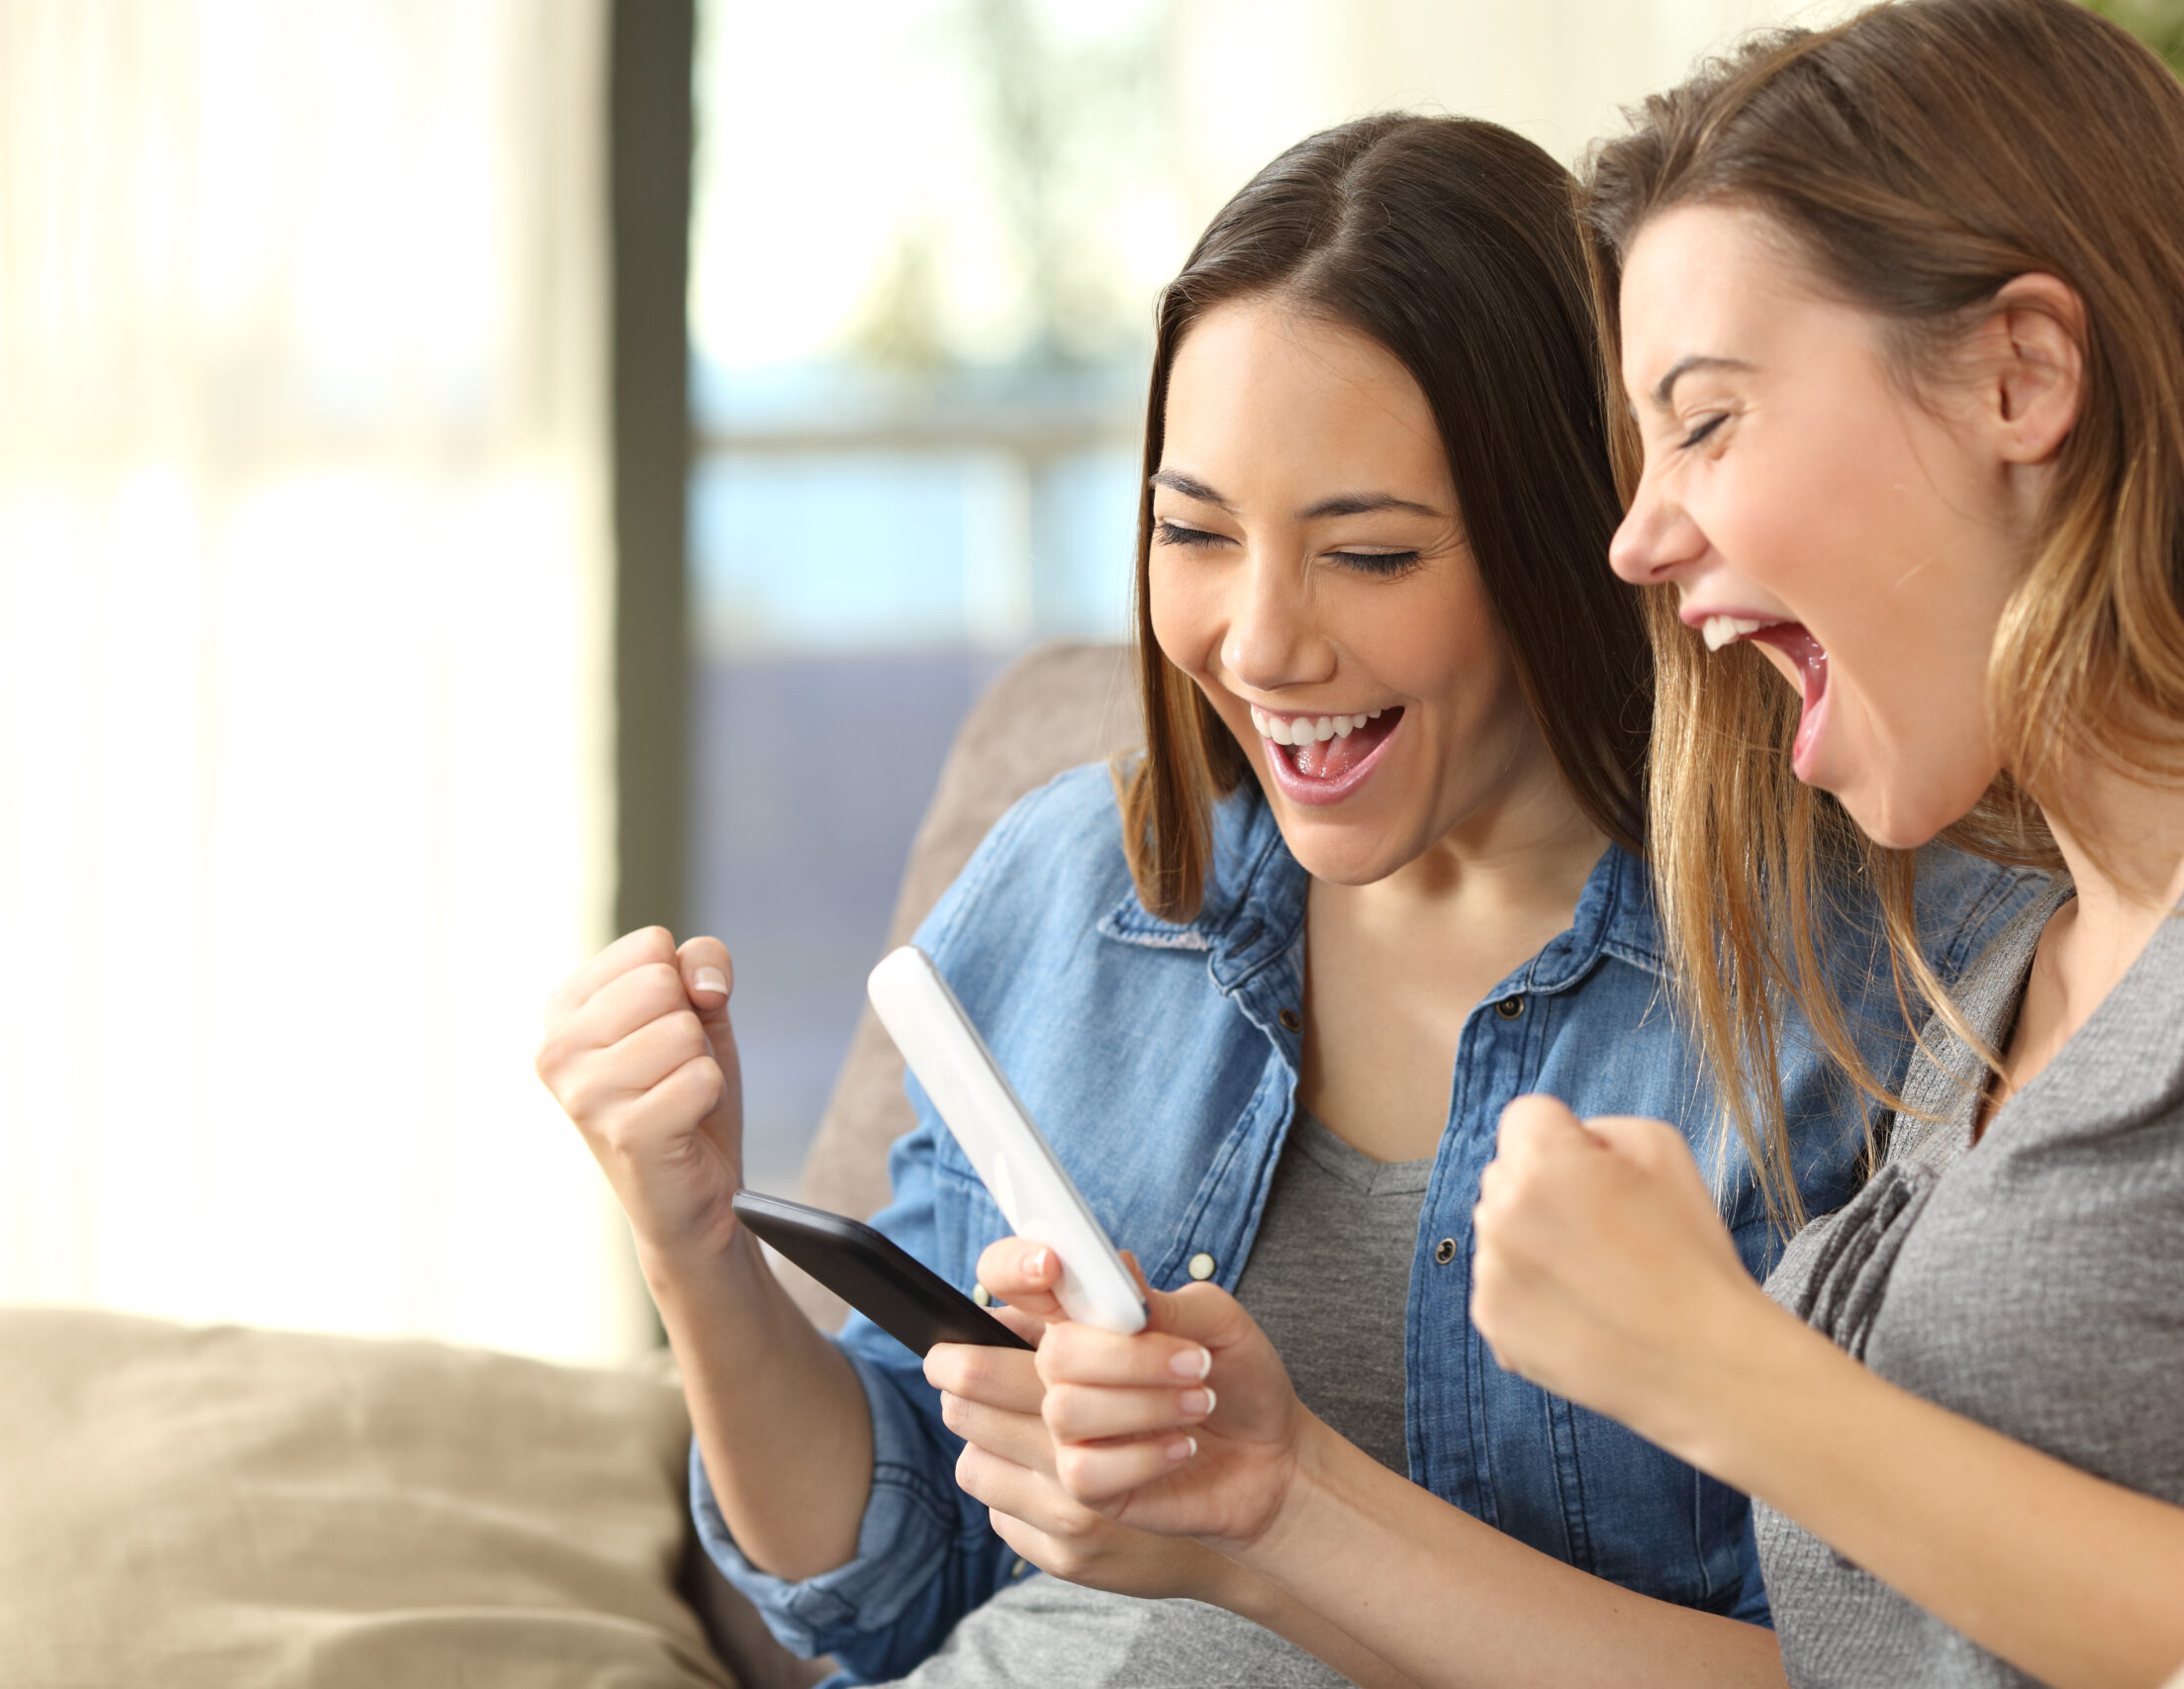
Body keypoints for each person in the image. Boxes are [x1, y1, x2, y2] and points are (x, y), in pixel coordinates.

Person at [1020, 4, 2184, 1686]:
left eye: (1706, 422)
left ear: (2020, 377)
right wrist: (1277, 1501)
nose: (1635, 540)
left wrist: (1726, 1376)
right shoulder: (2003, 995)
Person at [535, 113, 2023, 1688]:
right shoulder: (1079, 888)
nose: (1258, 645)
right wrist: (694, 1246)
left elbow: (1901, 1665)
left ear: (1576, 538)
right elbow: (886, 1580)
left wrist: (1279, 1520)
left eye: (1368, 555)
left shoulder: (1870, 992)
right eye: (1193, 532)